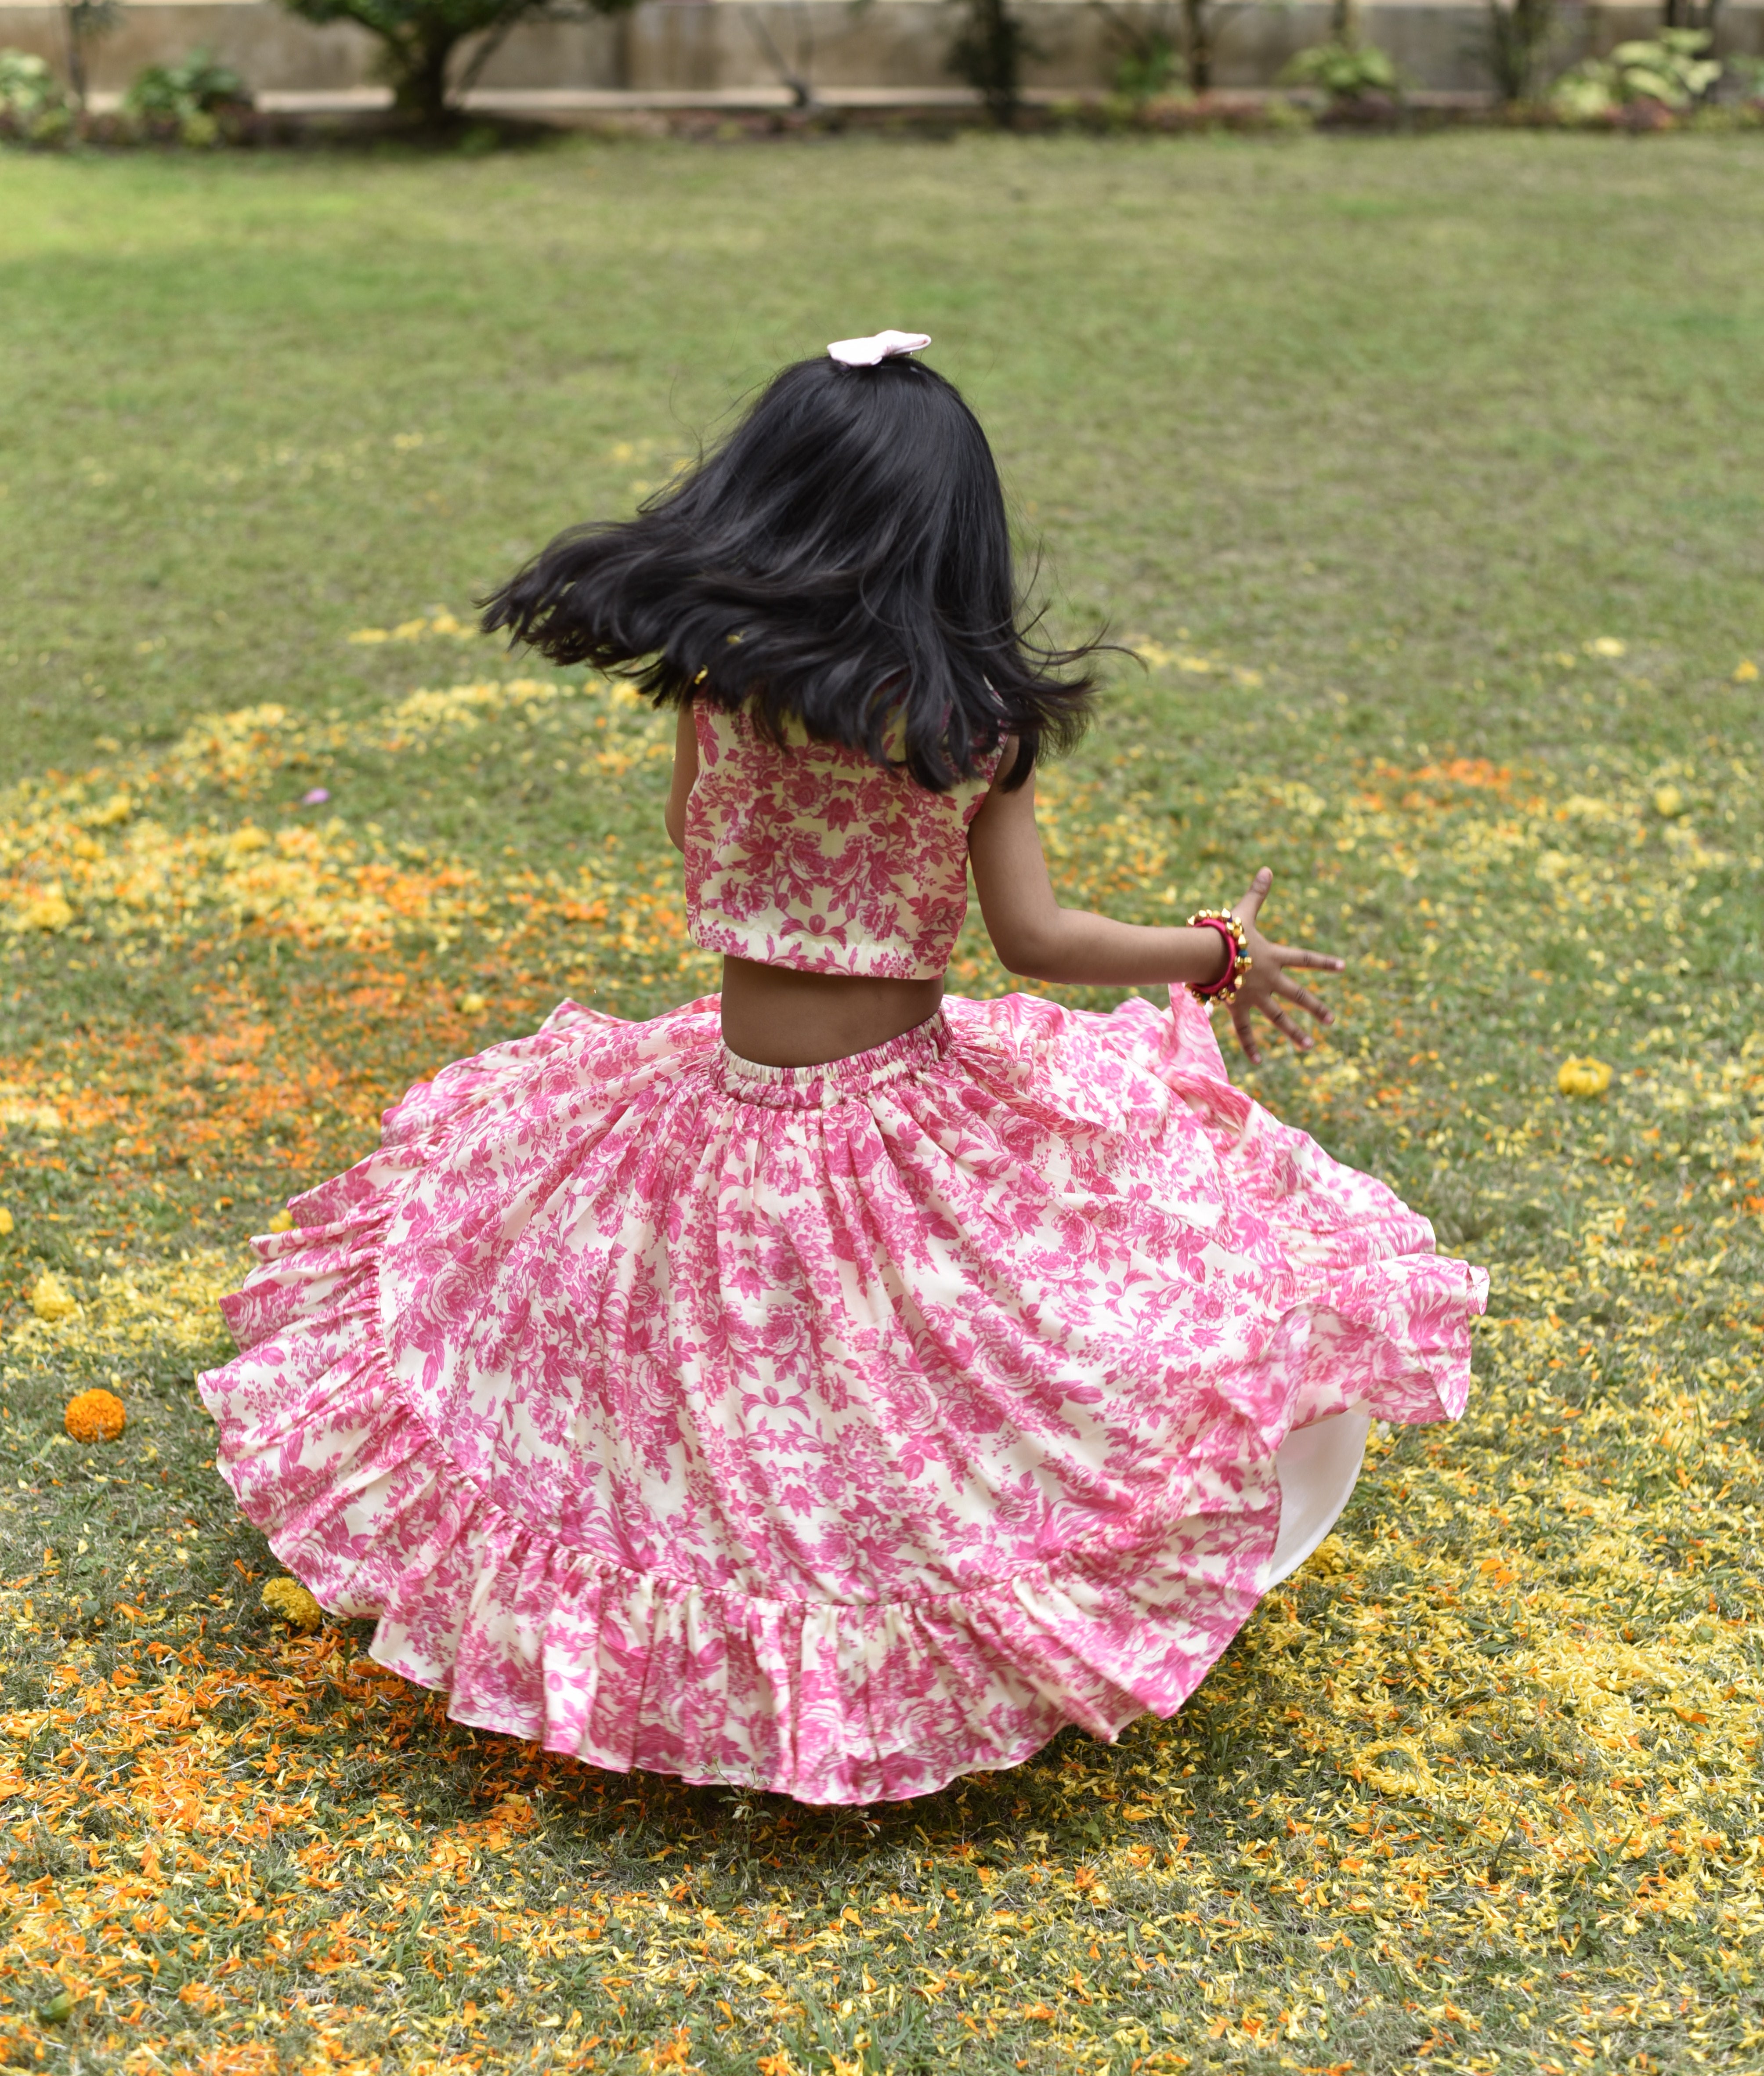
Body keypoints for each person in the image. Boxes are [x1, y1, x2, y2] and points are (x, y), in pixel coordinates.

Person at [201, 333, 1486, 1807]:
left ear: (765, 508)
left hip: (718, 1107)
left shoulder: (717, 700)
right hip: (888, 1115)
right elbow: (1040, 940)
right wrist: (1211, 950)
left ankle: (721, 1668)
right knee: (979, 1362)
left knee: (705, 1403)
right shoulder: (967, 739)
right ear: (953, 543)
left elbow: (705, 852)